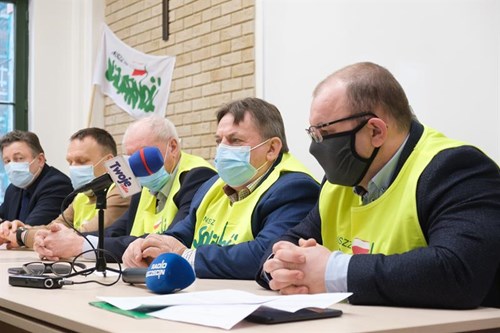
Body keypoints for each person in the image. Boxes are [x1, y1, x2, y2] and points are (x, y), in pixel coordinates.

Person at [257, 62, 500, 309]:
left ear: (375, 131)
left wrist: (331, 271)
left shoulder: (454, 169)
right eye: (313, 134)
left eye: (324, 134)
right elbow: (284, 243)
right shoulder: (337, 182)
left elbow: (458, 272)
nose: (315, 147)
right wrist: (279, 268)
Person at [122, 97, 320, 279]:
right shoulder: (211, 185)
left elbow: (267, 254)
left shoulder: (295, 188)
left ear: (272, 149)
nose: (222, 149)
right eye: (219, 141)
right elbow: (179, 235)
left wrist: (185, 256)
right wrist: (147, 246)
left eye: (235, 140)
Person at [33, 115, 216, 261]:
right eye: (130, 157)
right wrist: (64, 240)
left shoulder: (197, 177)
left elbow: (167, 242)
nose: (135, 165)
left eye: (142, 155)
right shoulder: (145, 182)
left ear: (173, 147)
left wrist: (80, 246)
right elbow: (116, 231)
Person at [0, 127, 131, 248]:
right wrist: (23, 229)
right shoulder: (82, 194)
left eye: (81, 161)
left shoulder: (124, 188)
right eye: (70, 162)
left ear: (108, 161)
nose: (73, 168)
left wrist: (22, 235)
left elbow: (81, 236)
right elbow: (54, 227)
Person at [0, 130, 73, 239]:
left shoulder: (57, 185)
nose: (12, 166)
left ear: (40, 160)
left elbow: (28, 232)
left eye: (19, 158)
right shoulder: (13, 188)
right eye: (7, 161)